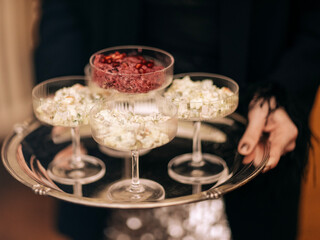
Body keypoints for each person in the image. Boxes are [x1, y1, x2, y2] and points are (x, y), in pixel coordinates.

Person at [34, 0, 320, 239]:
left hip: (248, 122)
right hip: (112, 127)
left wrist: (284, 91)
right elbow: (62, 11)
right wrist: (67, 100)